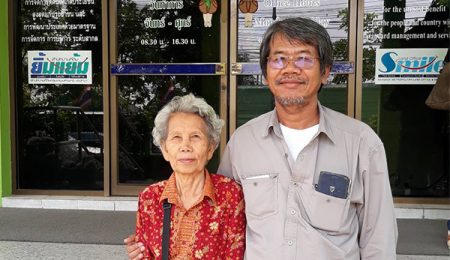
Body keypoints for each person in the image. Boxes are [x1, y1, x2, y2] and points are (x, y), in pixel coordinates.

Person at [126, 17, 397, 259]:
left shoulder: (362, 143)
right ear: (266, 73)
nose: (290, 69)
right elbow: (215, 216)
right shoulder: (243, 142)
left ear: (325, 71)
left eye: (304, 58)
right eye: (279, 59)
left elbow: (379, 238)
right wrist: (150, 245)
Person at [129, 94, 246, 259]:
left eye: (195, 137)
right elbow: (145, 255)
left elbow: (235, 255)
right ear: (164, 149)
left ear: (210, 148)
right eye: (176, 137)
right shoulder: (149, 198)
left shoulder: (230, 194)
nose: (185, 146)